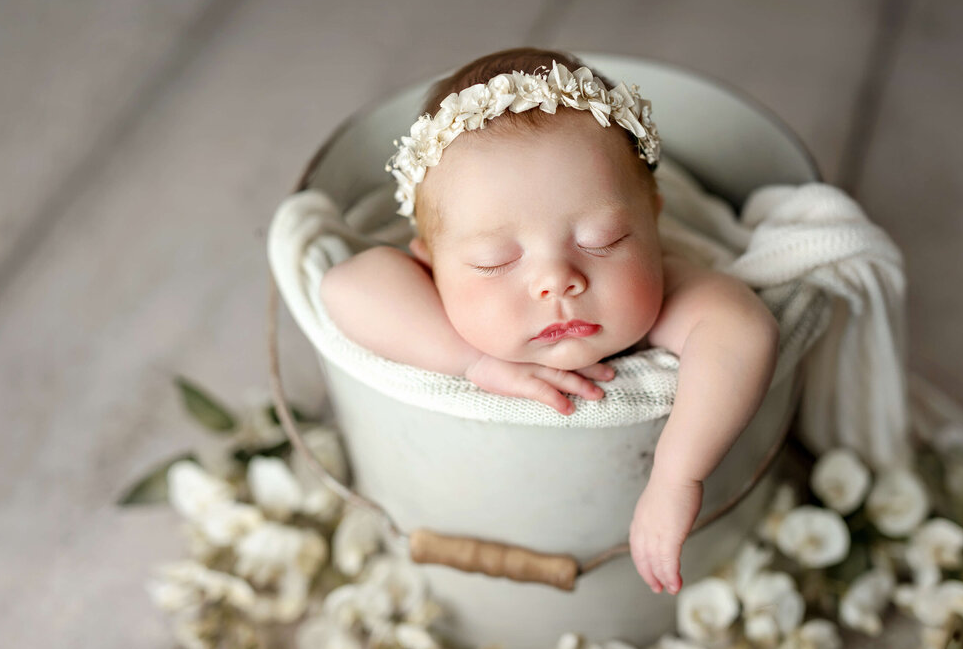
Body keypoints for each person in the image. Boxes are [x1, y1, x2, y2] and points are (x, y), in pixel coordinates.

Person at [319, 47, 779, 596]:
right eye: (495, 261)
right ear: (430, 265)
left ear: (653, 220)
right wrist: (476, 362)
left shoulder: (672, 285)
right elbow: (343, 287)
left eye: (601, 240)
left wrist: (677, 475)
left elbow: (742, 332)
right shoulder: (436, 300)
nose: (556, 280)